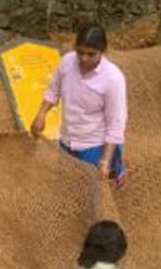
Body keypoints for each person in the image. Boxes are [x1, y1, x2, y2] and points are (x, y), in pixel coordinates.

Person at [30, 25, 127, 188]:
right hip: (67, 138)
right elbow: (54, 90)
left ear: (102, 51)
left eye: (91, 54)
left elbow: (116, 123)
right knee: (67, 185)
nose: (84, 58)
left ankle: (115, 168)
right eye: (80, 52)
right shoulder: (67, 63)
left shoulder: (113, 79)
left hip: (93, 143)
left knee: (89, 189)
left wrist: (104, 160)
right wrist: (41, 114)